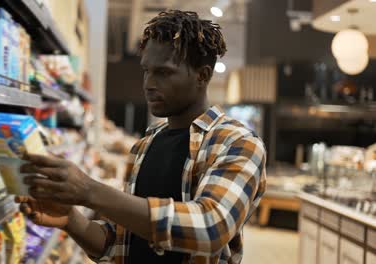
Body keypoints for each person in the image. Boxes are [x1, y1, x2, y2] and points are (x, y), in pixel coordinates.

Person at [16, 10, 267, 264]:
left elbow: (211, 227)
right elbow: (120, 243)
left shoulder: (237, 142)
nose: (148, 83)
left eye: (164, 72)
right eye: (146, 70)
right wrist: (70, 219)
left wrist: (89, 191)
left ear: (202, 76)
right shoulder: (146, 144)